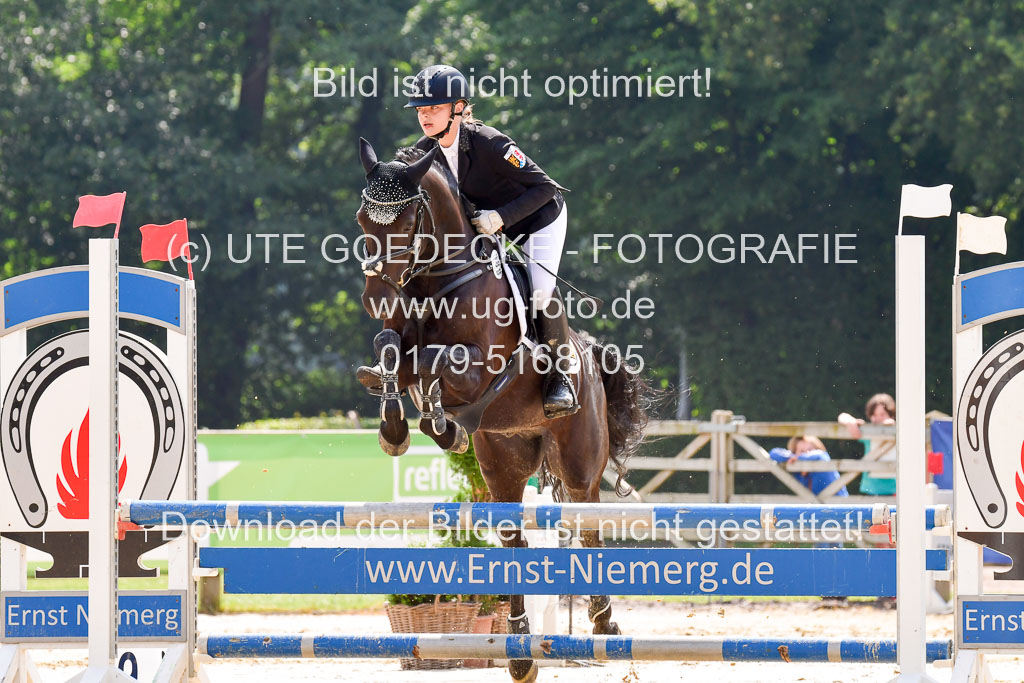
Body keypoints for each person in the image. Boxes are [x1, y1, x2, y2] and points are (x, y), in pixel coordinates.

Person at [406, 64, 578, 418]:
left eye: (434, 108)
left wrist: (500, 217)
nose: (425, 116)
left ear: (458, 108)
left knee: (540, 292)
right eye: (421, 109)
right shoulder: (425, 151)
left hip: (538, 218)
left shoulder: (488, 142)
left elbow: (546, 188)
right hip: (485, 227)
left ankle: (560, 375)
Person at [838, 392, 896, 496]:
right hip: (870, 490)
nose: (878, 418)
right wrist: (851, 422)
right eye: (874, 415)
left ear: (891, 415)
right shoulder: (867, 433)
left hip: (895, 490)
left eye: (882, 414)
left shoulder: (900, 432)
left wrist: (892, 428)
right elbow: (842, 416)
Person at [768, 436, 849, 497]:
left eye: (810, 450)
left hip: (840, 506)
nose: (806, 453)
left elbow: (820, 454)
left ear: (816, 448)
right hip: (816, 509)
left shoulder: (823, 458)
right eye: (802, 451)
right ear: (795, 452)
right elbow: (773, 453)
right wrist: (791, 456)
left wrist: (799, 457)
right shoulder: (797, 469)